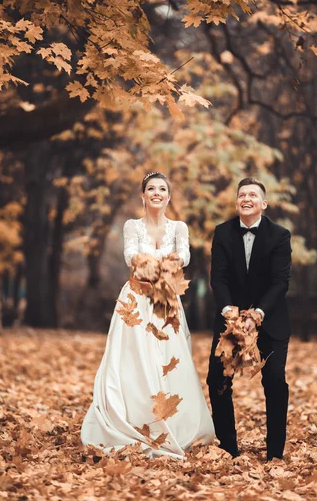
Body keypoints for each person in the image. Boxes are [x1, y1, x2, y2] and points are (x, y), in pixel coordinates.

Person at [81, 172, 215, 458]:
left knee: (169, 358)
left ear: (169, 196)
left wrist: (173, 263)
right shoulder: (133, 226)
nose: (156, 193)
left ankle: (174, 423)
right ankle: (132, 417)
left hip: (166, 300)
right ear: (143, 196)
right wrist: (150, 265)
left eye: (162, 189)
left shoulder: (179, 227)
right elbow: (130, 255)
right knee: (135, 359)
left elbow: (186, 255)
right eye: (150, 189)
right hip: (136, 300)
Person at [207, 177, 292, 461]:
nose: (246, 198)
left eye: (253, 195)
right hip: (230, 319)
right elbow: (217, 278)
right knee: (216, 379)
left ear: (263, 203)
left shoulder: (280, 235)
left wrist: (257, 315)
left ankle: (275, 452)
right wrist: (229, 311)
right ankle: (227, 447)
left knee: (275, 381)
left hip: (270, 319)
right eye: (242, 194)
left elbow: (280, 282)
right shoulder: (222, 232)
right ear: (236, 203)